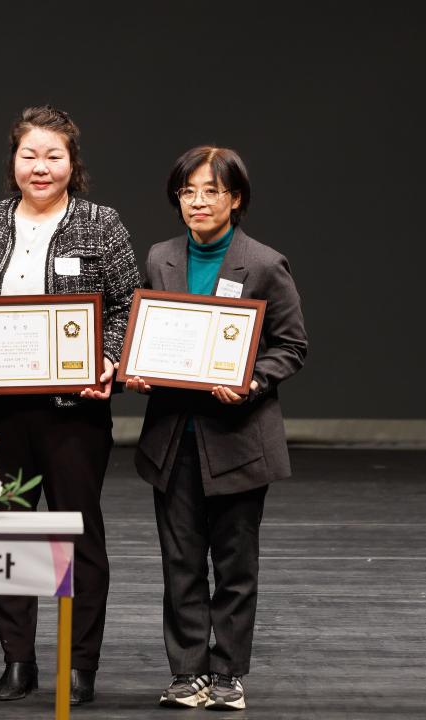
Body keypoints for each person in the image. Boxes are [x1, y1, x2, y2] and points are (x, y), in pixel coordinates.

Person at [0, 106, 140, 706]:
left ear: (73, 165)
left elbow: (129, 306)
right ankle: (18, 660)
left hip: (73, 412)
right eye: (30, 155)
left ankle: (80, 667)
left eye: (53, 156)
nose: (41, 167)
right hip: (0, 412)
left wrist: (107, 362)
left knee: (79, 535)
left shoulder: (102, 225)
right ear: (13, 163)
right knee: (10, 533)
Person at [126, 146, 307, 711]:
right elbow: (148, 331)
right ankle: (187, 673)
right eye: (188, 192)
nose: (198, 202)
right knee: (180, 560)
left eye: (211, 191)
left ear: (236, 198)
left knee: (234, 562)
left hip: (237, 434)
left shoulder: (265, 263)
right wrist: (136, 366)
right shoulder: (160, 257)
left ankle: (228, 671)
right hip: (173, 433)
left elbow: (292, 346)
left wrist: (251, 381)